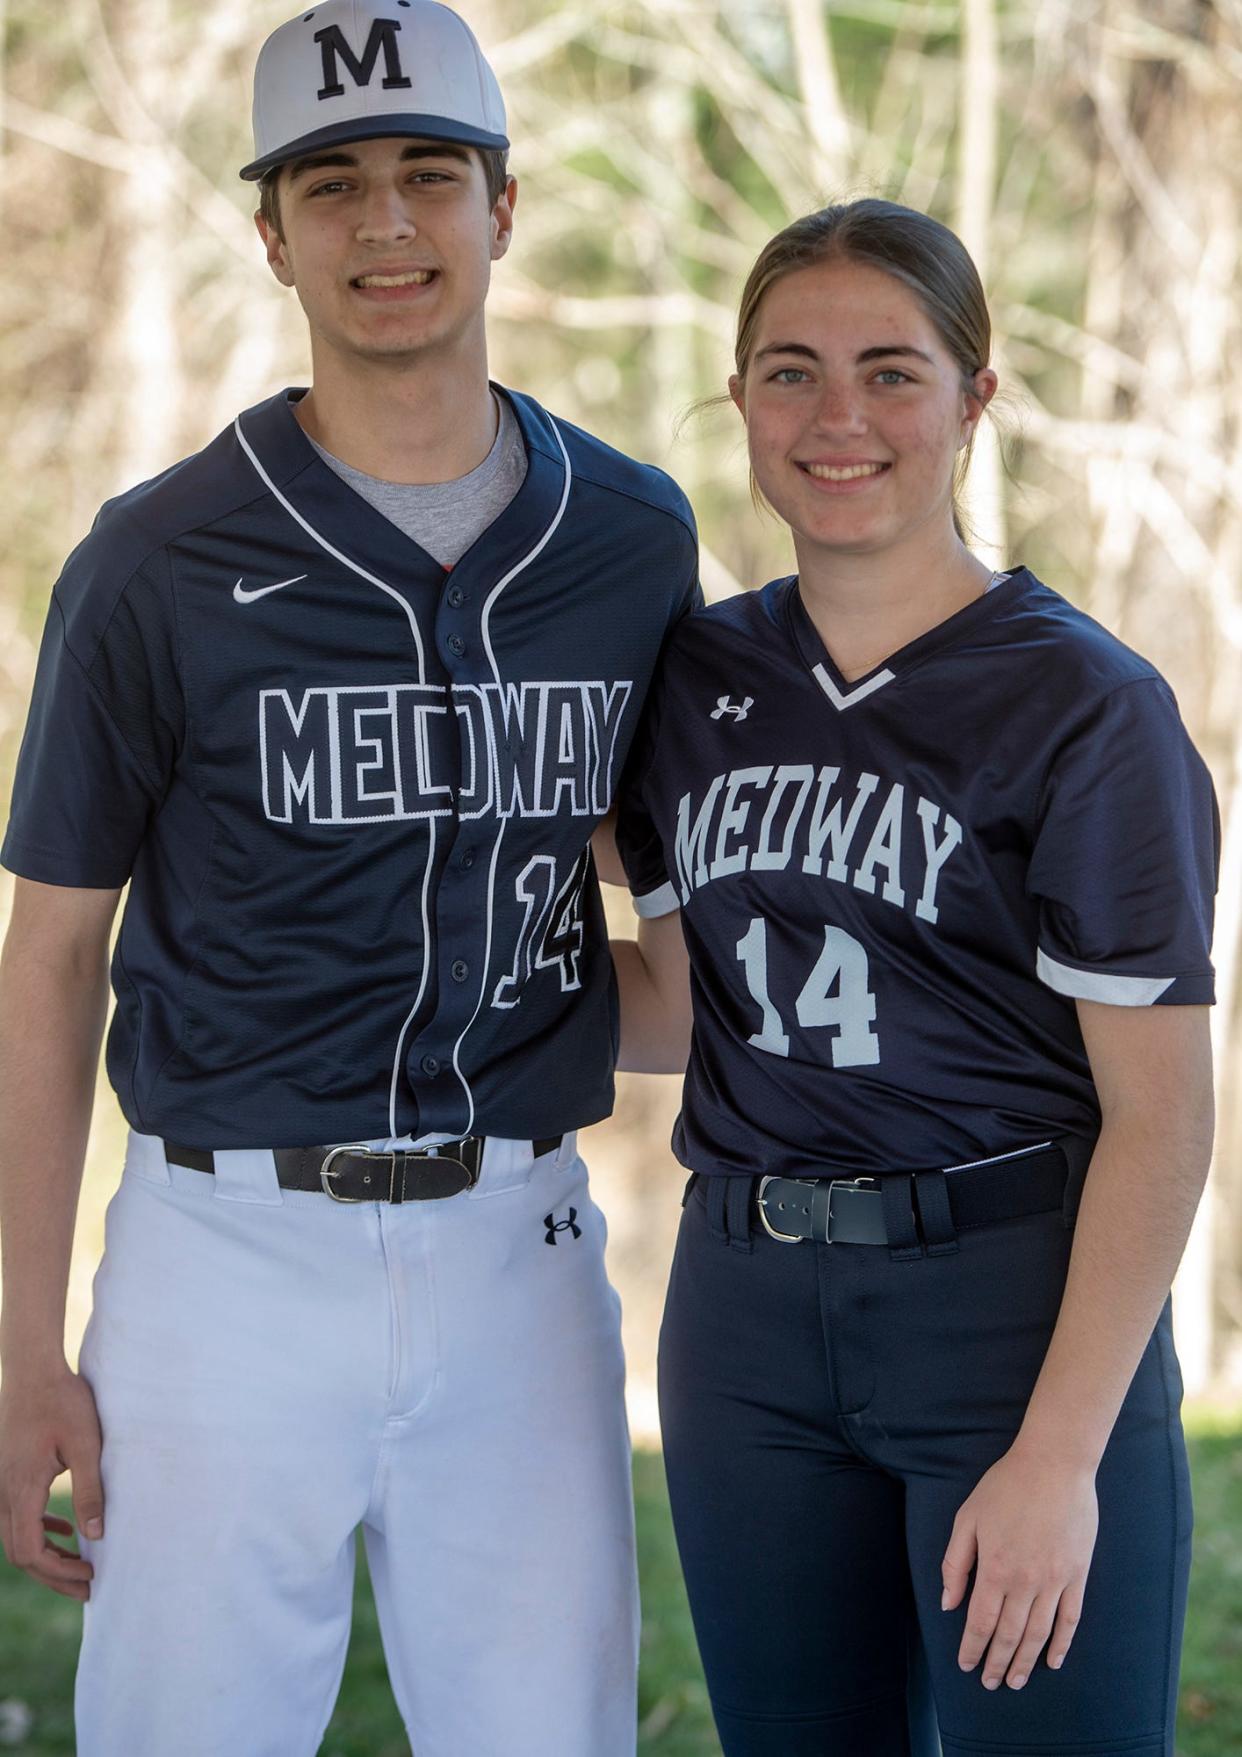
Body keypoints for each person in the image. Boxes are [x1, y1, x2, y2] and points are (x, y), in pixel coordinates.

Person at [0, 3, 699, 1752]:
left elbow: (661, 925)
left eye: (428, 175)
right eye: (334, 186)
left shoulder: (627, 536)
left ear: (503, 208)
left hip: (521, 1249)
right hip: (222, 1254)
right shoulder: (157, 555)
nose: (386, 224)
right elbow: (49, 955)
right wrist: (20, 1344)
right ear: (270, 232)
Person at [609, 199, 1217, 1756]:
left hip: (1007, 1311)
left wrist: (1057, 1454)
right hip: (742, 1316)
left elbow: (1161, 1121)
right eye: (789, 371)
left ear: (972, 398)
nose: (838, 419)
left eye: (890, 371)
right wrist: (394, 1015)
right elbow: (678, 1004)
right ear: (736, 399)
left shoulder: (1083, 703)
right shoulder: (694, 677)